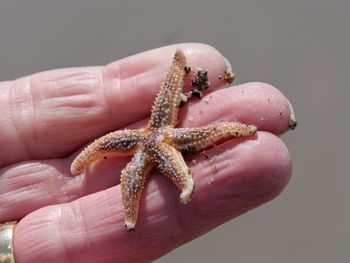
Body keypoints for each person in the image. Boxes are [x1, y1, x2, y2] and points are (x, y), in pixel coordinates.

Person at [0, 43, 293, 263]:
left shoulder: (157, 129)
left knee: (211, 135)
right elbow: (101, 147)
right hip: (153, 141)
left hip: (159, 138)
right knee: (136, 173)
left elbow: (180, 109)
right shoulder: (139, 140)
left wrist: (180, 67)